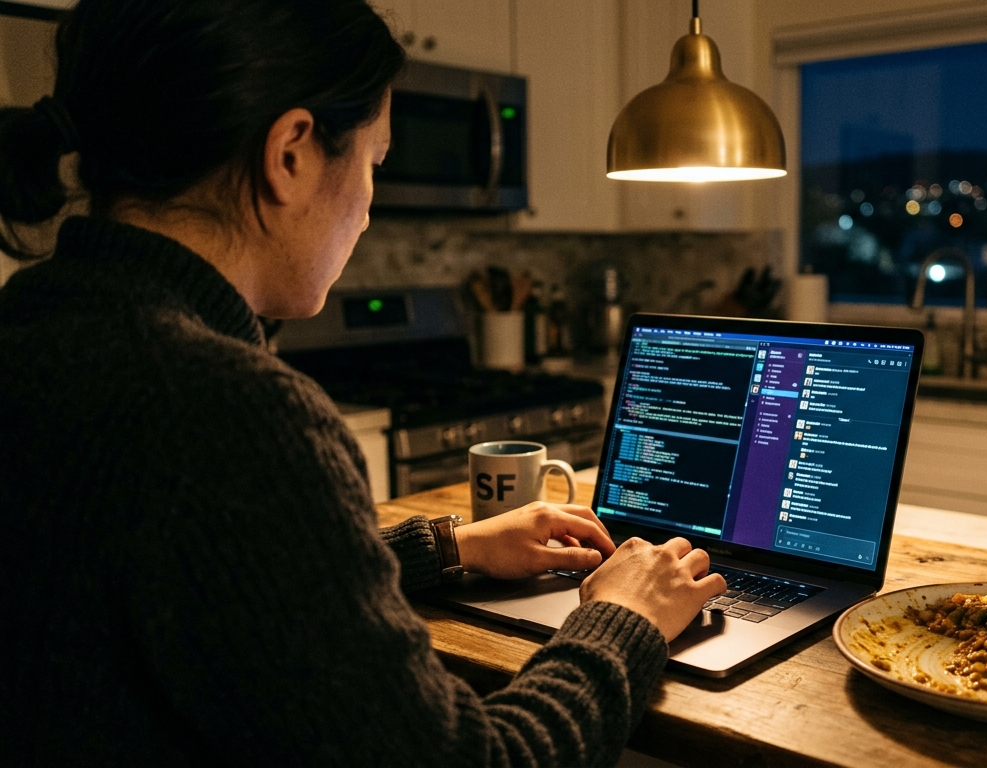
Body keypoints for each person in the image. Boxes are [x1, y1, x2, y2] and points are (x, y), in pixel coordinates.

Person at [0, 1, 726, 765]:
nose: (371, 204)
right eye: (375, 161)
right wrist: (622, 618)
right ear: (291, 155)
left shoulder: (31, 326)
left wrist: (452, 547)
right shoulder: (231, 412)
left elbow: (216, 573)